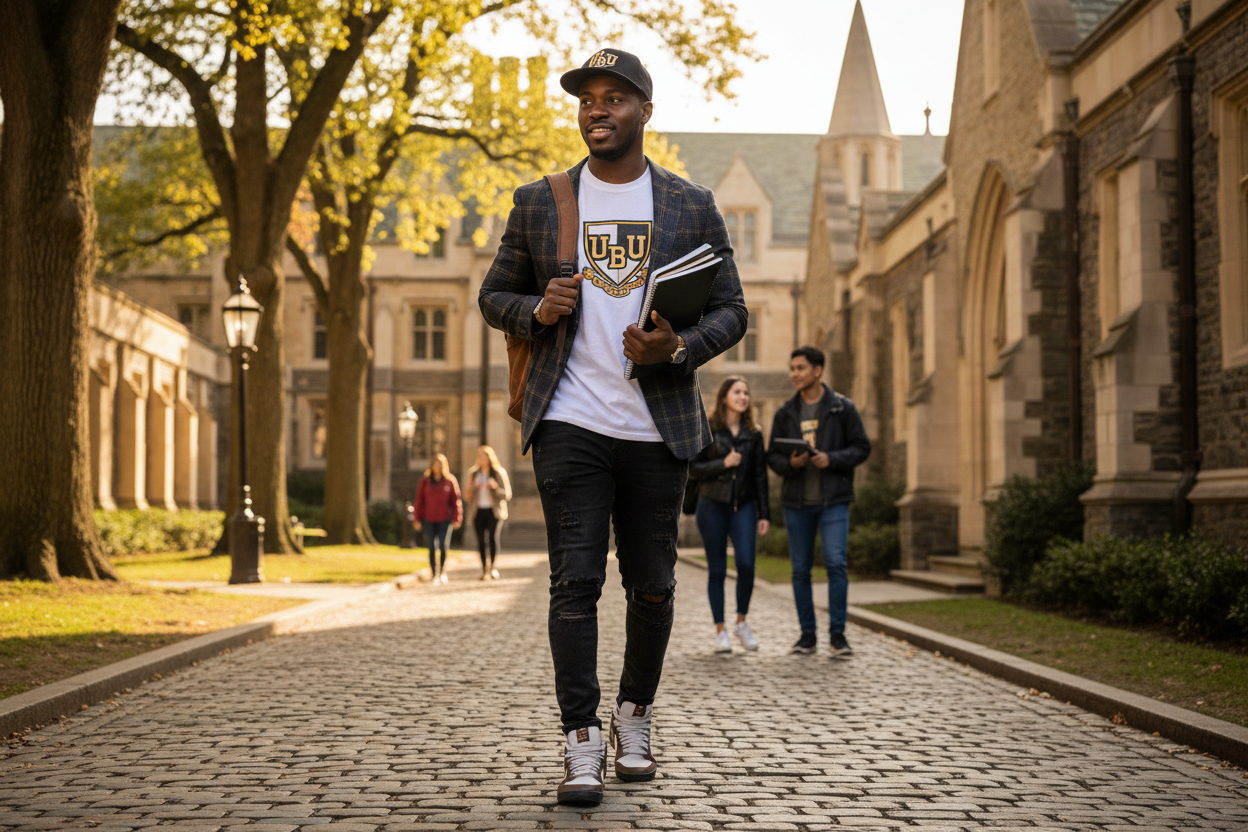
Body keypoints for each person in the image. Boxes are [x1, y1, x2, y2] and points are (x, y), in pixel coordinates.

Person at [478, 48, 747, 806]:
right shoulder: (542, 199)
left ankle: (635, 715)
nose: (598, 109)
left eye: (615, 98)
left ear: (645, 112)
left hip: (655, 424)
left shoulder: (690, 203)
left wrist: (680, 347)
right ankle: (581, 741)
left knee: (654, 584)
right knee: (576, 581)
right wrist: (536, 309)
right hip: (569, 417)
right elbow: (492, 293)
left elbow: (734, 308)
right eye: (588, 98)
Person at [767, 346, 871, 659]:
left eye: (800, 368)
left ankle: (838, 636)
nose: (794, 374)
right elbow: (772, 455)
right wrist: (791, 465)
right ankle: (807, 637)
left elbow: (862, 448)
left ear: (818, 370)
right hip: (797, 503)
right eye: (792, 368)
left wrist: (832, 459)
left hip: (833, 502)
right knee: (800, 570)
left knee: (836, 565)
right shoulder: (786, 412)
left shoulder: (842, 408)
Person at [689, 375, 769, 653]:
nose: (743, 397)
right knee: (718, 570)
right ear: (724, 397)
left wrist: (764, 514)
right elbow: (694, 469)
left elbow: (760, 475)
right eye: (737, 392)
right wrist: (723, 463)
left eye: (746, 392)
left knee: (746, 565)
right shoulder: (708, 428)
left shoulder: (754, 433)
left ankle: (741, 623)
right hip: (711, 505)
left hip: (743, 506)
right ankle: (721, 630)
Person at [413, 452, 462, 584]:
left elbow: (456, 500)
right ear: (432, 465)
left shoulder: (450, 480)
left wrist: (457, 518)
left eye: (440, 463)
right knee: (431, 545)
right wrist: (416, 518)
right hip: (428, 518)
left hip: (445, 519)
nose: (437, 466)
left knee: (443, 544)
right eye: (435, 463)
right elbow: (419, 500)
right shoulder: (425, 481)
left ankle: (442, 570)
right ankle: (434, 572)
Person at [466, 445, 513, 580]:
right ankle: (483, 569)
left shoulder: (498, 472)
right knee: (481, 541)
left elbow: (507, 495)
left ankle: (492, 567)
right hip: (478, 511)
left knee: (492, 539)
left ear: (489, 458)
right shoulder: (473, 473)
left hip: (494, 511)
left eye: (484, 456)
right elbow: (467, 496)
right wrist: (474, 487)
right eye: (480, 456)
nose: (482, 459)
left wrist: (495, 487)